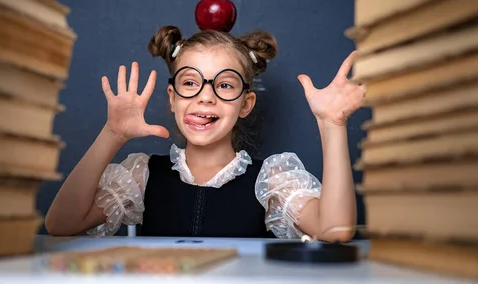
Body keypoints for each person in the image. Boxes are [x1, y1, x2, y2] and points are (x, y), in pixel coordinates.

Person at [45, 25, 365, 241]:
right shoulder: (142, 174)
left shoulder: (272, 179)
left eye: (224, 85)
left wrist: (333, 125)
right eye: (190, 83)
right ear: (172, 99)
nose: (205, 96)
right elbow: (61, 225)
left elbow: (335, 230)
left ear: (245, 103)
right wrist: (112, 133)